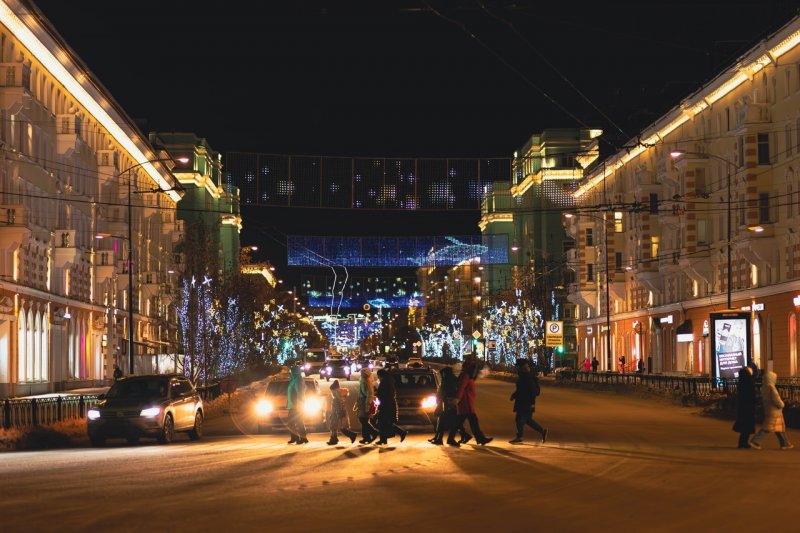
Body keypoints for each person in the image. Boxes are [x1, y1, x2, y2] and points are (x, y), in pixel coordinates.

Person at [447, 358, 493, 446]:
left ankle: (480, 439)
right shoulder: (466, 376)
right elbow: (461, 388)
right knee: (466, 422)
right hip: (466, 404)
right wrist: (457, 399)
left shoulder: (468, 376)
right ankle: (480, 439)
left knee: (463, 423)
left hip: (467, 404)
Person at [750, 371, 794, 450]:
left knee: (779, 428)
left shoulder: (764, 387)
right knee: (768, 428)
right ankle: (755, 442)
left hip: (769, 409)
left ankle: (785, 444)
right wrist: (782, 404)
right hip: (775, 411)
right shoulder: (771, 387)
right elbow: (776, 399)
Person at [429, 366, 471, 445]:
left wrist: (443, 399)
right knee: (447, 421)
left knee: (450, 421)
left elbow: (444, 392)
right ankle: (443, 438)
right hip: (448, 403)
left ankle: (446, 439)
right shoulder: (451, 379)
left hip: (448, 403)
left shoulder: (448, 381)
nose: (441, 376)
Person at [509, 360, 548, 444]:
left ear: (522, 368)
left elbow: (532, 391)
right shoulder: (524, 377)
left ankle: (520, 436)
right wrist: (514, 395)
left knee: (520, 419)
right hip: (522, 402)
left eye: (518, 367)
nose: (516, 368)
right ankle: (542, 431)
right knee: (527, 420)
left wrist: (532, 404)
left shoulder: (527, 378)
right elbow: (520, 390)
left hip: (526, 403)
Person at [375, 368, 407, 445]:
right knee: (384, 423)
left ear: (380, 376)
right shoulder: (388, 381)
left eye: (378, 376)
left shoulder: (385, 383)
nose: (378, 378)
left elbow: (383, 394)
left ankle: (401, 432)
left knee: (383, 422)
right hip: (388, 404)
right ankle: (383, 439)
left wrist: (377, 393)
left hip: (386, 405)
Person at [326, 380, 357, 445]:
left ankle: (352, 435)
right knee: (334, 427)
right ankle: (334, 439)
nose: (331, 392)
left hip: (338, 415)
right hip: (338, 414)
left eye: (332, 391)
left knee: (342, 428)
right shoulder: (339, 397)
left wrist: (338, 414)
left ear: (334, 391)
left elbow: (337, 408)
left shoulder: (336, 399)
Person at [732, 367, 756, 449]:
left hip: (743, 407)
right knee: (747, 426)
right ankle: (743, 443)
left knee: (744, 426)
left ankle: (742, 443)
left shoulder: (742, 381)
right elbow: (751, 394)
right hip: (748, 407)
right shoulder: (748, 382)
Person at [355, 368, 378, 444]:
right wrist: (357, 403)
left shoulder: (367, 381)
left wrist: (367, 406)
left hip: (365, 402)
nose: (361, 374)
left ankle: (373, 432)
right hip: (362, 402)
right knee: (363, 420)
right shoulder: (363, 380)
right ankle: (366, 437)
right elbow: (360, 393)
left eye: (362, 373)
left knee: (363, 420)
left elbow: (369, 394)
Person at [287, 363, 308, 445]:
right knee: (297, 421)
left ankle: (300, 438)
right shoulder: (295, 379)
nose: (290, 373)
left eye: (291, 371)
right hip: (294, 405)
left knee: (294, 422)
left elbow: (299, 393)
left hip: (296, 405)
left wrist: (299, 405)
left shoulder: (298, 380)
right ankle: (300, 437)